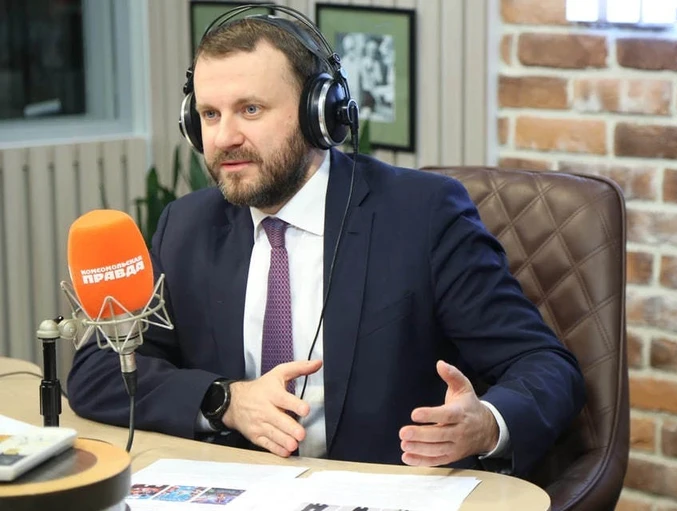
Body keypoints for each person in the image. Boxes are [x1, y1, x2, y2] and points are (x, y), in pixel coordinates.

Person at [67, 9, 585, 478]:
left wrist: (487, 424)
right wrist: (225, 401)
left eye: (250, 109)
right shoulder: (186, 226)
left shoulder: (422, 216)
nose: (223, 138)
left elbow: (543, 365)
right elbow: (98, 371)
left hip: (383, 490)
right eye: (209, 115)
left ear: (321, 114)